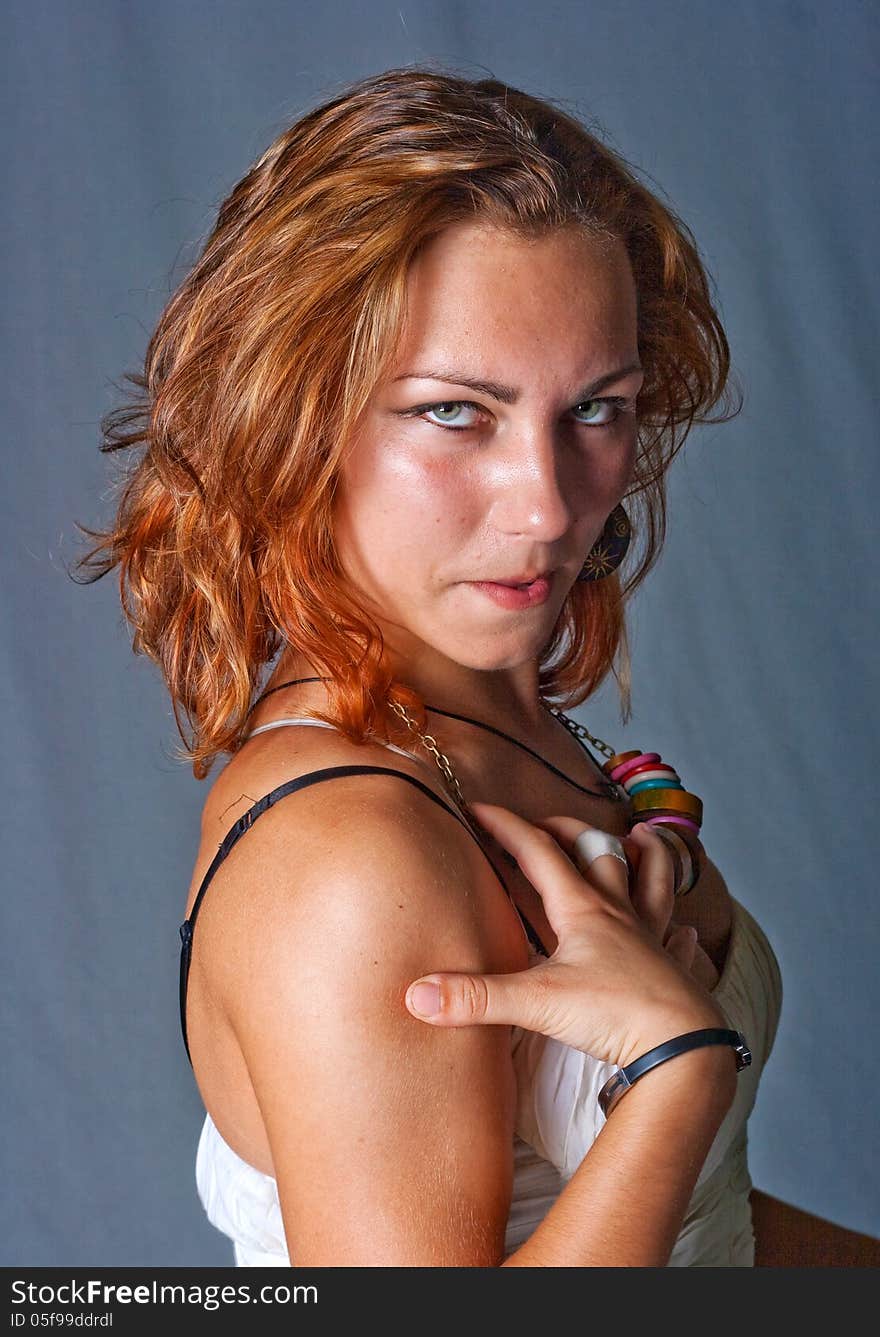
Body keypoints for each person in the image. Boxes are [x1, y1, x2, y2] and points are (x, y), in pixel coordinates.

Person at [73, 66, 878, 1267]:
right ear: (294, 418)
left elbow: (719, 1237)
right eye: (456, 412)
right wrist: (670, 1081)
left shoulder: (511, 730)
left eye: (596, 409)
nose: (548, 504)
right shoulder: (350, 855)